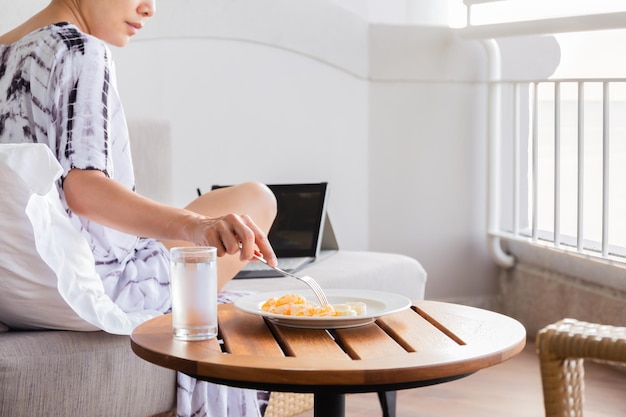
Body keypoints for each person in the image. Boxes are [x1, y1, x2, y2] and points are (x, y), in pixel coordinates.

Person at [0, 1, 277, 416]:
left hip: (17, 289)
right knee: (257, 198)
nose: (149, 9)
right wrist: (198, 226)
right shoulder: (80, 49)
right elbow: (85, 190)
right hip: (97, 288)